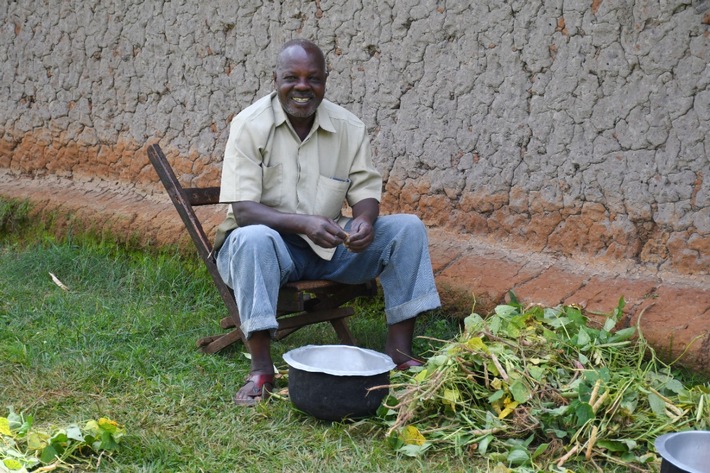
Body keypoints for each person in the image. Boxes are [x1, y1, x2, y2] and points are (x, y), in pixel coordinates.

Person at [214, 39, 441, 406]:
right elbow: (244, 211)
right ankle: (261, 369)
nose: (302, 87)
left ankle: (400, 354)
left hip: (330, 244)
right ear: (275, 79)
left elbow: (366, 188)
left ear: (325, 82)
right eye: (292, 77)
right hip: (267, 247)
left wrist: (364, 221)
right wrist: (304, 224)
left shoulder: (347, 127)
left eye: (313, 78)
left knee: (408, 228)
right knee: (253, 237)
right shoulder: (249, 125)